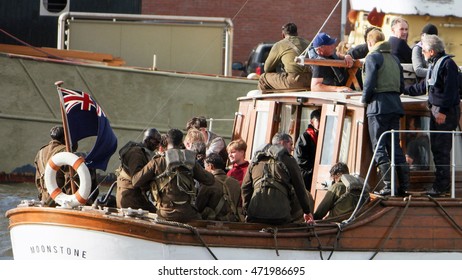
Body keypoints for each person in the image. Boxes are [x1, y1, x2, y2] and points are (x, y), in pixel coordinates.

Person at [405, 35, 461, 196]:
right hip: (436, 111)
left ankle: (442, 187)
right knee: (436, 149)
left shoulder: (447, 65)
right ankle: (440, 185)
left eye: (423, 51)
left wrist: (442, 112)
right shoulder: (436, 64)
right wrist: (403, 89)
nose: (422, 53)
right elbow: (425, 86)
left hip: (445, 114)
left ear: (431, 51)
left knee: (442, 150)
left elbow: (451, 90)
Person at [361, 29, 409, 196]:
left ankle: (389, 186)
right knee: (395, 146)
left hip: (378, 107)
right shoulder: (395, 59)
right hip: (395, 105)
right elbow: (402, 86)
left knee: (379, 147)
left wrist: (364, 100)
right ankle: (404, 186)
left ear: (370, 43)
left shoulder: (372, 57)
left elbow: (369, 82)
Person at [132, 128, 215, 222]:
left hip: (165, 214)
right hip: (187, 214)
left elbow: (136, 181)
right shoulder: (191, 161)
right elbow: (210, 180)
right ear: (181, 142)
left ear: (166, 141)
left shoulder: (157, 161)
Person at [241, 133, 314, 225]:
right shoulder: (289, 160)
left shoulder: (256, 160)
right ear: (282, 143)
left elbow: (245, 188)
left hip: (254, 214)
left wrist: (247, 211)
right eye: (290, 144)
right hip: (280, 216)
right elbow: (300, 188)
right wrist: (307, 211)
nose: (292, 148)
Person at [116, 128, 161, 213]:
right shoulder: (136, 153)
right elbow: (136, 180)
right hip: (130, 197)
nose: (157, 146)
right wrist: (153, 164)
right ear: (147, 140)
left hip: (137, 195)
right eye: (156, 142)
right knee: (158, 215)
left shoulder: (143, 152)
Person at [258, 22, 312, 91]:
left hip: (294, 81)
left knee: (263, 78)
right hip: (310, 80)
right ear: (296, 33)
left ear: (283, 35)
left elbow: (267, 68)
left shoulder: (280, 45)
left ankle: (271, 101)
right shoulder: (308, 42)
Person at [196, 153, 241, 221]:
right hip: (233, 223)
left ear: (211, 166)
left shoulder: (208, 183)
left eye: (205, 167)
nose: (204, 169)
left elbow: (198, 207)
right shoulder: (235, 183)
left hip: (213, 224)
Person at [34, 126, 69, 206]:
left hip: (45, 198)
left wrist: (42, 195)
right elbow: (68, 178)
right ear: (64, 137)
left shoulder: (40, 152)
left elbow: (38, 179)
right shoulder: (65, 151)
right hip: (59, 200)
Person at [294, 108, 321, 191]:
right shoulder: (304, 137)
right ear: (312, 122)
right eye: (319, 120)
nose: (322, 123)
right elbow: (301, 161)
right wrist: (314, 172)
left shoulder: (322, 136)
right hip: (306, 177)